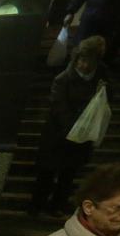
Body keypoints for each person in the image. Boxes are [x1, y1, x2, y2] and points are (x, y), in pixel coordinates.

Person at [31, 36, 109, 217]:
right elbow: (59, 107)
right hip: (59, 134)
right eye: (81, 60)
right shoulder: (64, 79)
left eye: (87, 61)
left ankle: (56, 205)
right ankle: (37, 205)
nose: (83, 65)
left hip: (79, 137)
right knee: (47, 173)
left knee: (67, 174)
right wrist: (73, 128)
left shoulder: (101, 77)